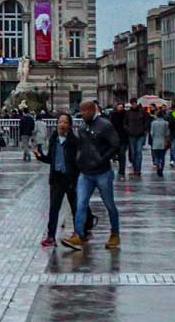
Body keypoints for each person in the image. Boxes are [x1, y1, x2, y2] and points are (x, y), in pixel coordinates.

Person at [64, 101, 122, 251]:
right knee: (81, 204)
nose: (82, 114)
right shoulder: (83, 128)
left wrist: (103, 159)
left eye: (85, 111)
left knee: (109, 204)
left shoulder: (105, 125)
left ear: (92, 110)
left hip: (103, 172)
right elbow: (81, 147)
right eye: (81, 111)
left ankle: (115, 233)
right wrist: (79, 161)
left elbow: (115, 144)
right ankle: (77, 234)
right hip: (86, 172)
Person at [36, 113, 80, 247]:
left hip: (70, 178)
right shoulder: (54, 139)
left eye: (65, 122)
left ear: (69, 125)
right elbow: (51, 159)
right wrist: (40, 157)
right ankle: (51, 236)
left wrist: (75, 179)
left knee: (75, 208)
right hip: (56, 178)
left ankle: (79, 233)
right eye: (60, 122)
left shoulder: (74, 141)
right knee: (54, 209)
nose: (62, 125)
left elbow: (77, 162)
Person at [147, 108, 171, 177]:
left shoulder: (153, 123)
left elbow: (151, 133)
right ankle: (161, 169)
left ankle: (157, 167)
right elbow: (167, 133)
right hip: (163, 142)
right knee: (162, 157)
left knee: (156, 157)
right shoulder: (166, 123)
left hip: (155, 142)